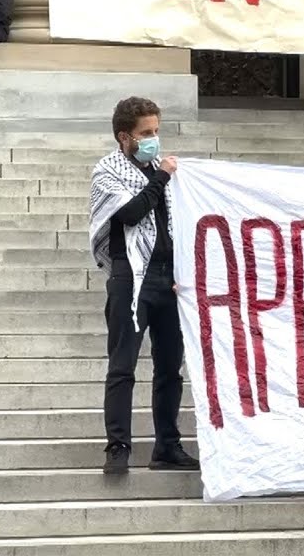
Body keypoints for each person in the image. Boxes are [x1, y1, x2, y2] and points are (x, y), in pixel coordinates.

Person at [89, 97, 198, 475]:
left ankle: (167, 446)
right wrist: (163, 176)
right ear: (125, 136)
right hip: (130, 276)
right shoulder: (109, 170)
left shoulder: (158, 169)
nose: (154, 139)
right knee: (123, 366)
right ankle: (118, 445)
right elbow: (133, 212)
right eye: (146, 133)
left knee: (170, 367)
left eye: (156, 131)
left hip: (167, 278)